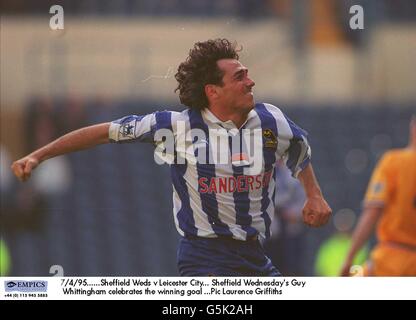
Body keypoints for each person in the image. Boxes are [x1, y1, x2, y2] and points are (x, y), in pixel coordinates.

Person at [11, 39, 331, 276]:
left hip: (254, 255)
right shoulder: (175, 127)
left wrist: (314, 195)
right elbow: (102, 132)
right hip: (205, 257)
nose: (251, 81)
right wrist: (39, 155)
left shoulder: (271, 119)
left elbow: (299, 148)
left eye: (247, 74)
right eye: (240, 77)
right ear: (213, 91)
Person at [340, 115, 416, 276]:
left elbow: (373, 210)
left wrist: (349, 258)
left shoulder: (394, 161)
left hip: (392, 259)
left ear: (413, 128)